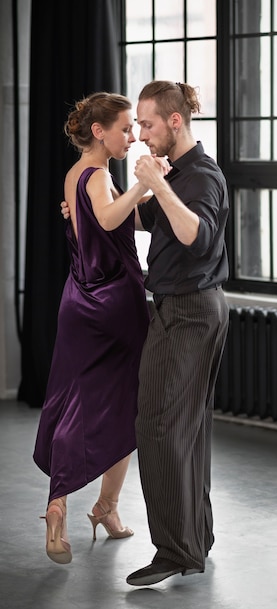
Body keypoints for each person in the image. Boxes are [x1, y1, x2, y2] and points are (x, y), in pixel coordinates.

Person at [33, 92, 159, 565]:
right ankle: (105, 506)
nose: (132, 137)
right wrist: (145, 186)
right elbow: (107, 219)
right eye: (126, 129)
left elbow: (91, 224)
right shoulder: (102, 174)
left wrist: (136, 193)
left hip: (77, 300)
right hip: (114, 303)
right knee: (125, 405)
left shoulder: (74, 174)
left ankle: (59, 505)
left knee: (73, 401)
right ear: (100, 131)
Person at [125, 80, 230, 586]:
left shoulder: (203, 177)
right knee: (185, 428)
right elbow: (148, 219)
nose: (141, 134)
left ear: (174, 121)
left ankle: (173, 551)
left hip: (190, 310)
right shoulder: (177, 174)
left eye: (146, 123)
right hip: (181, 306)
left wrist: (158, 183)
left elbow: (196, 234)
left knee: (158, 425)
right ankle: (195, 541)